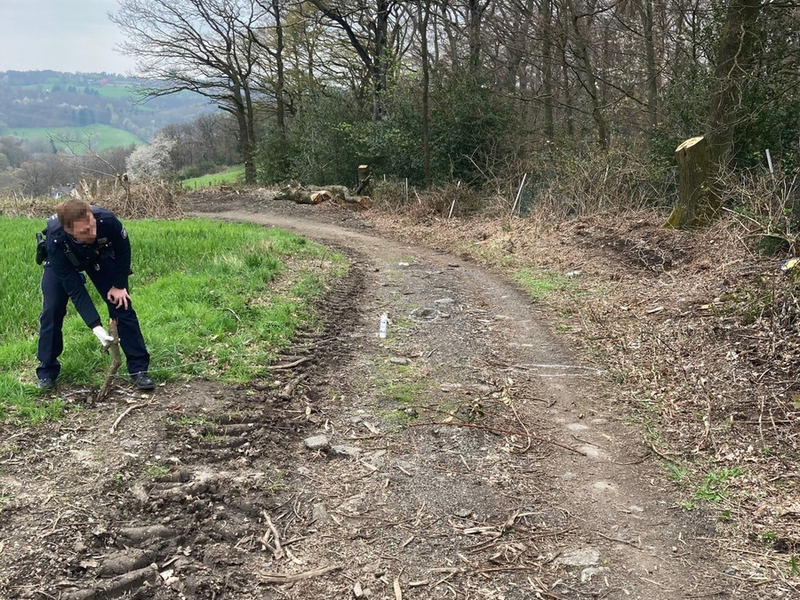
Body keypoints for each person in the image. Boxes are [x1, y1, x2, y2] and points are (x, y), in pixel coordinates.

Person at [36, 198, 155, 391]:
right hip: (64, 261)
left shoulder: (106, 220)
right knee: (52, 309)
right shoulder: (56, 240)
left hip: (97, 255)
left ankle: (139, 369)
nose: (92, 233)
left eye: (91, 226)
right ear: (69, 230)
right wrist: (96, 326)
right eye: (84, 231)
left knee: (121, 304)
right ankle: (46, 372)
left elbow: (123, 250)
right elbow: (75, 289)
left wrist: (119, 285)